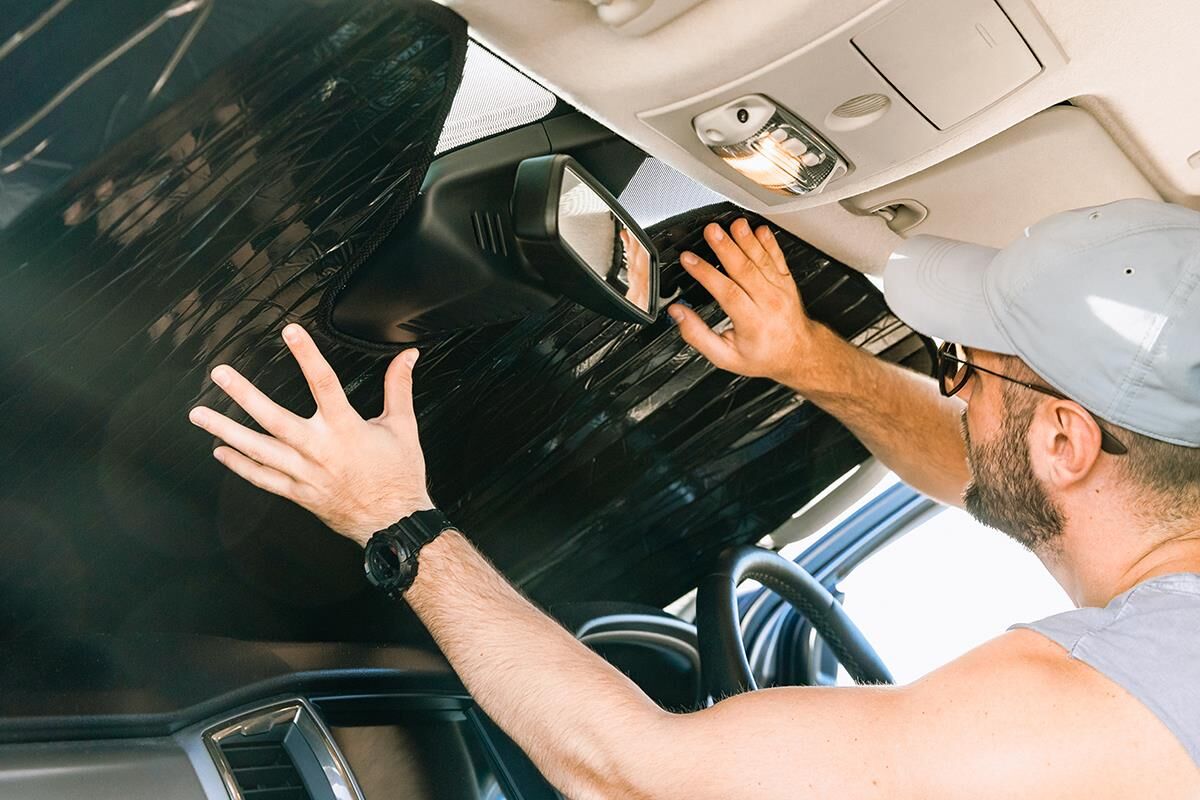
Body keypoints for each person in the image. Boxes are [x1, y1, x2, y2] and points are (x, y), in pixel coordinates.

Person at [189, 197, 1200, 799]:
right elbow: (993, 469)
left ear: (1068, 440)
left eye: (961, 371)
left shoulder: (1103, 708)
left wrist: (395, 519)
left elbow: (635, 775)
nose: (958, 396)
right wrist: (809, 359)